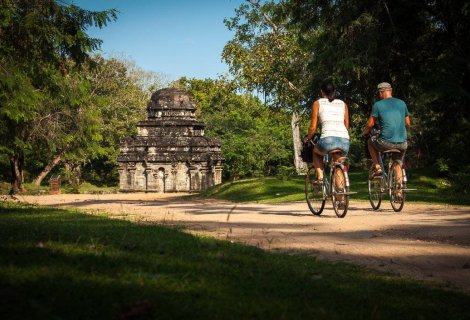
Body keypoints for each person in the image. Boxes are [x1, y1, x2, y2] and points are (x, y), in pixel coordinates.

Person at [363, 82, 411, 178]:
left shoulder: (378, 105)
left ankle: (378, 167)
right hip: (403, 143)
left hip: (386, 143)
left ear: (381, 93)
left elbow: (370, 124)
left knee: (370, 142)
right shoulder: (402, 103)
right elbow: (408, 123)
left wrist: (365, 132)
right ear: (390, 91)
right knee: (397, 163)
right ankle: (399, 190)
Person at [305, 80, 350, 182]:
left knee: (316, 152)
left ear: (322, 92)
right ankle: (340, 195)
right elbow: (346, 124)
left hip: (328, 140)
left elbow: (313, 127)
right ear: (335, 91)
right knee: (338, 162)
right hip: (344, 141)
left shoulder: (318, 103)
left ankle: (320, 177)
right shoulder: (343, 104)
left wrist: (308, 138)